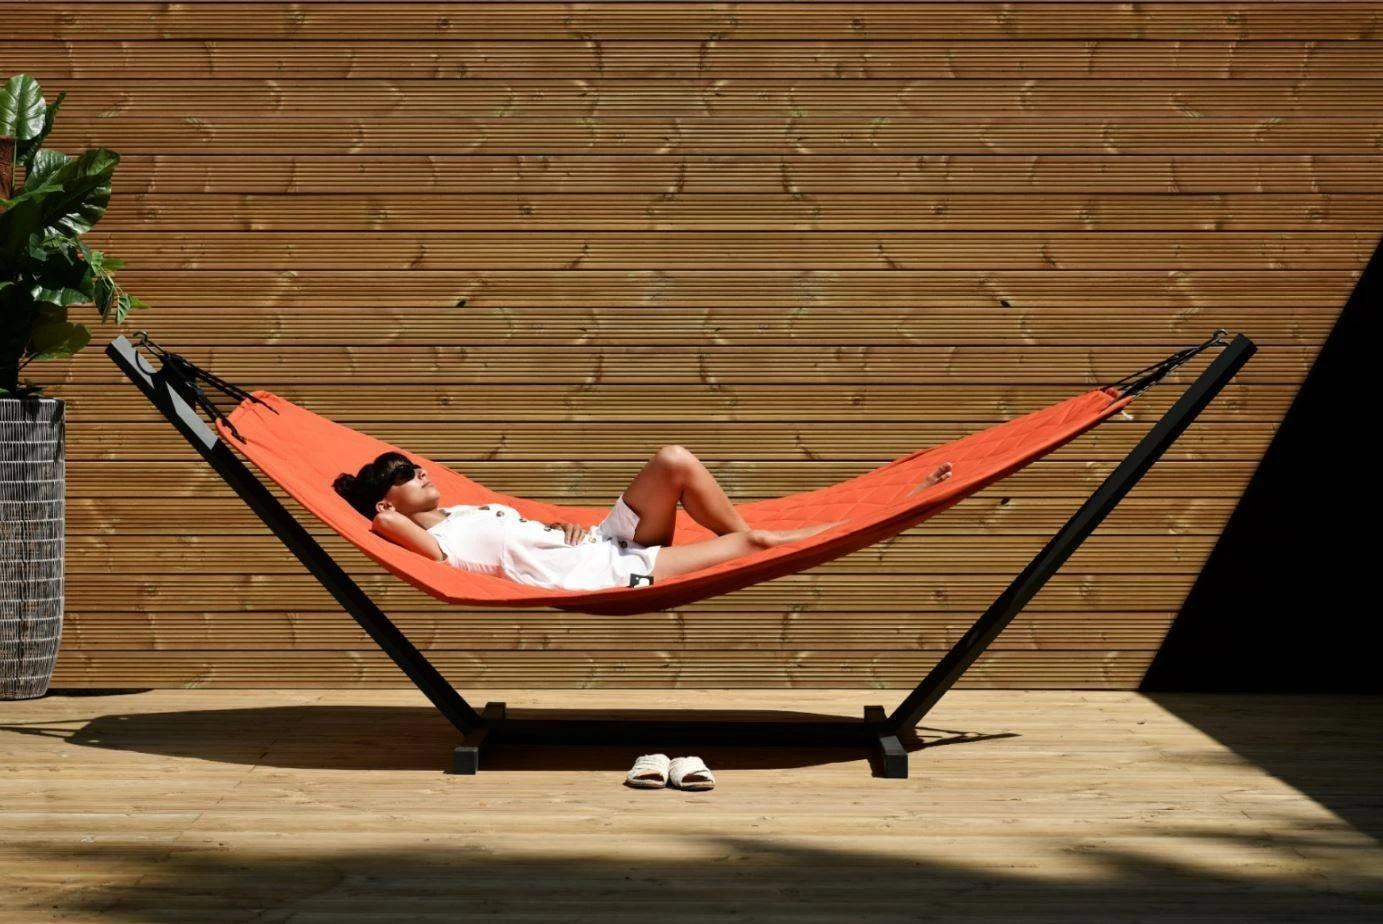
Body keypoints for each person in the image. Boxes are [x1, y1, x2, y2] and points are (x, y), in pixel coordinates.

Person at [333, 445, 952, 591]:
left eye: (414, 465)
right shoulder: (432, 538)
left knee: (673, 460)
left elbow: (520, 535)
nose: (419, 472)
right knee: (761, 542)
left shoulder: (465, 509)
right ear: (388, 502)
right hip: (605, 573)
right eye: (403, 475)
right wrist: (382, 515)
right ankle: (889, 509)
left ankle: (733, 535)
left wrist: (558, 528)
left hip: (600, 541)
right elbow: (422, 550)